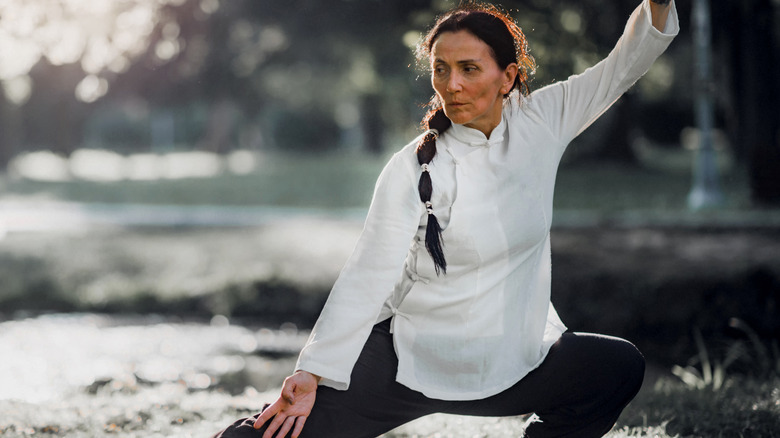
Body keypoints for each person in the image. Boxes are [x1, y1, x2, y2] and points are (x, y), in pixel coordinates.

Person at [213, 0, 678, 437]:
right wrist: (312, 371)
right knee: (279, 430)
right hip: (408, 362)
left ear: (508, 76)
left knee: (615, 367)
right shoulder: (415, 166)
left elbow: (622, 67)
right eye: (441, 69)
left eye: (469, 69)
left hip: (513, 360)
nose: (451, 84)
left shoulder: (543, 120)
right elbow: (368, 273)